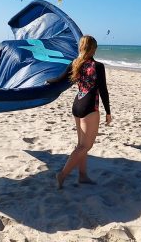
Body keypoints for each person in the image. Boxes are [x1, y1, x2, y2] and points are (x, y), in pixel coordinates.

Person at [46, 35, 111, 189]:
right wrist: (108, 112)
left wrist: (46, 81)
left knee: (81, 145)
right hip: (89, 108)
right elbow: (103, 91)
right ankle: (62, 175)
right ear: (94, 48)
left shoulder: (75, 63)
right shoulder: (98, 66)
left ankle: (82, 176)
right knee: (85, 146)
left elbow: (58, 79)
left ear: (81, 47)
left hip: (77, 105)